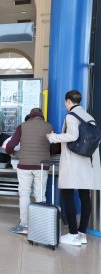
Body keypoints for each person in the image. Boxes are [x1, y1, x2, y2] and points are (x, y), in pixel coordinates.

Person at [47, 90, 101, 246]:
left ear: (68, 101)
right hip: (88, 163)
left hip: (74, 163)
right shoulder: (89, 117)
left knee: (67, 195)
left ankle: (72, 233)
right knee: (85, 196)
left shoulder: (70, 116)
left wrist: (53, 137)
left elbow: (72, 136)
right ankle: (82, 234)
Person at [5, 108, 54, 234]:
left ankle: (24, 225)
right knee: (40, 194)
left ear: (30, 116)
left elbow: (11, 145)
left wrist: (10, 153)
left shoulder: (22, 126)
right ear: (42, 116)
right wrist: (46, 153)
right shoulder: (49, 126)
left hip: (25, 165)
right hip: (42, 166)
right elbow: (55, 147)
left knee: (24, 194)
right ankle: (39, 226)